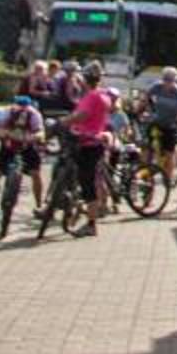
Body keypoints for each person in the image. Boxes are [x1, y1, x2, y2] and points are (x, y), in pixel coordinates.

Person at [65, 62, 116, 229]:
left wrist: (63, 121)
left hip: (88, 143)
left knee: (88, 183)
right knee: (83, 179)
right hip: (91, 141)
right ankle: (78, 207)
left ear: (84, 79)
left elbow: (82, 116)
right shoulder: (103, 95)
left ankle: (91, 224)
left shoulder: (92, 96)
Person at [0, 88, 46, 232]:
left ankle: (39, 205)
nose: (21, 110)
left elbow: (40, 132)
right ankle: (38, 205)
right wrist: (5, 134)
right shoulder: (6, 112)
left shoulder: (34, 114)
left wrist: (36, 137)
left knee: (35, 173)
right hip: (9, 146)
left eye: (23, 107)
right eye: (19, 106)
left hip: (27, 146)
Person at [144, 65, 177, 195]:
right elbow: (146, 98)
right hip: (156, 122)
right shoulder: (156, 87)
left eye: (170, 80)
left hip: (170, 125)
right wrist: (148, 110)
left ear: (175, 80)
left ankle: (168, 179)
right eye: (165, 79)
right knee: (148, 149)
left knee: (169, 154)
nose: (167, 83)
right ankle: (146, 175)